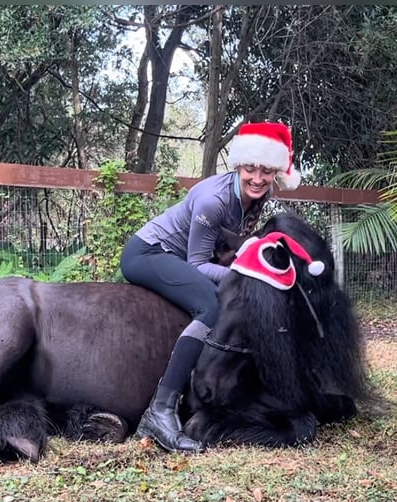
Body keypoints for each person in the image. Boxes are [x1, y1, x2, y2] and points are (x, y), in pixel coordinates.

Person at [120, 122, 302, 452]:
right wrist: (246, 273)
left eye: (266, 171)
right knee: (212, 306)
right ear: (238, 166)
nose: (258, 179)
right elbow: (198, 265)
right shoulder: (213, 200)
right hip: (148, 253)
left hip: (179, 258)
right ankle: (159, 412)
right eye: (250, 169)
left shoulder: (261, 193)